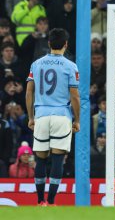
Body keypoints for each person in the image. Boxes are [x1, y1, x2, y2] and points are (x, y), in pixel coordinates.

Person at [25, 28, 80, 206]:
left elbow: (29, 92)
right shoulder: (71, 66)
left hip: (41, 115)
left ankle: (40, 201)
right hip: (61, 116)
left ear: (49, 44)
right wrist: (77, 119)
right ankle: (52, 201)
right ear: (66, 44)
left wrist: (31, 117)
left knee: (41, 159)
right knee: (57, 159)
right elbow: (75, 95)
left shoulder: (36, 64)